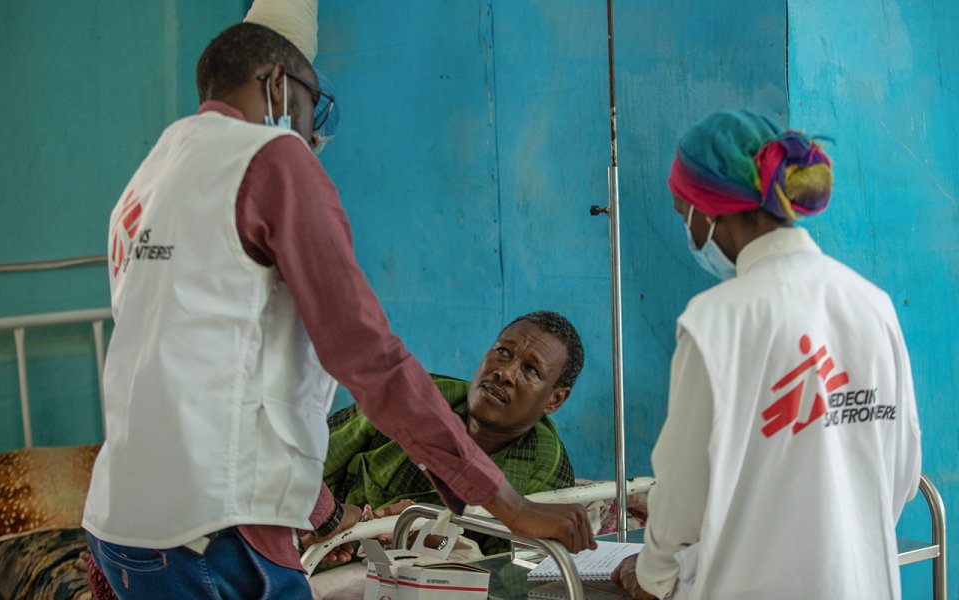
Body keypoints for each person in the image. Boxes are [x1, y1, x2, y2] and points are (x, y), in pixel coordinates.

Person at [81, 21, 593, 600]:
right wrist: (507, 503)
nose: (313, 133)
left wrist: (325, 515)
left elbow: (212, 373)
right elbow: (366, 353)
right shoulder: (273, 158)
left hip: (125, 523)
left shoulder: (151, 175)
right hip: (212, 531)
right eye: (309, 105)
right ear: (278, 86)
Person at [611, 109, 921, 600]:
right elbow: (901, 474)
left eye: (681, 212)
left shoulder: (718, 319)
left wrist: (651, 575)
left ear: (707, 211)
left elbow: (682, 498)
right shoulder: (871, 304)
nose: (688, 232)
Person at [322, 310, 585, 556]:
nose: (504, 372)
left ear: (555, 399)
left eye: (531, 370)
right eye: (503, 351)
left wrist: (442, 542)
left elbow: (514, 575)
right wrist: (329, 517)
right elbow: (311, 463)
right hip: (320, 546)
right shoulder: (414, 397)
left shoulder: (545, 468)